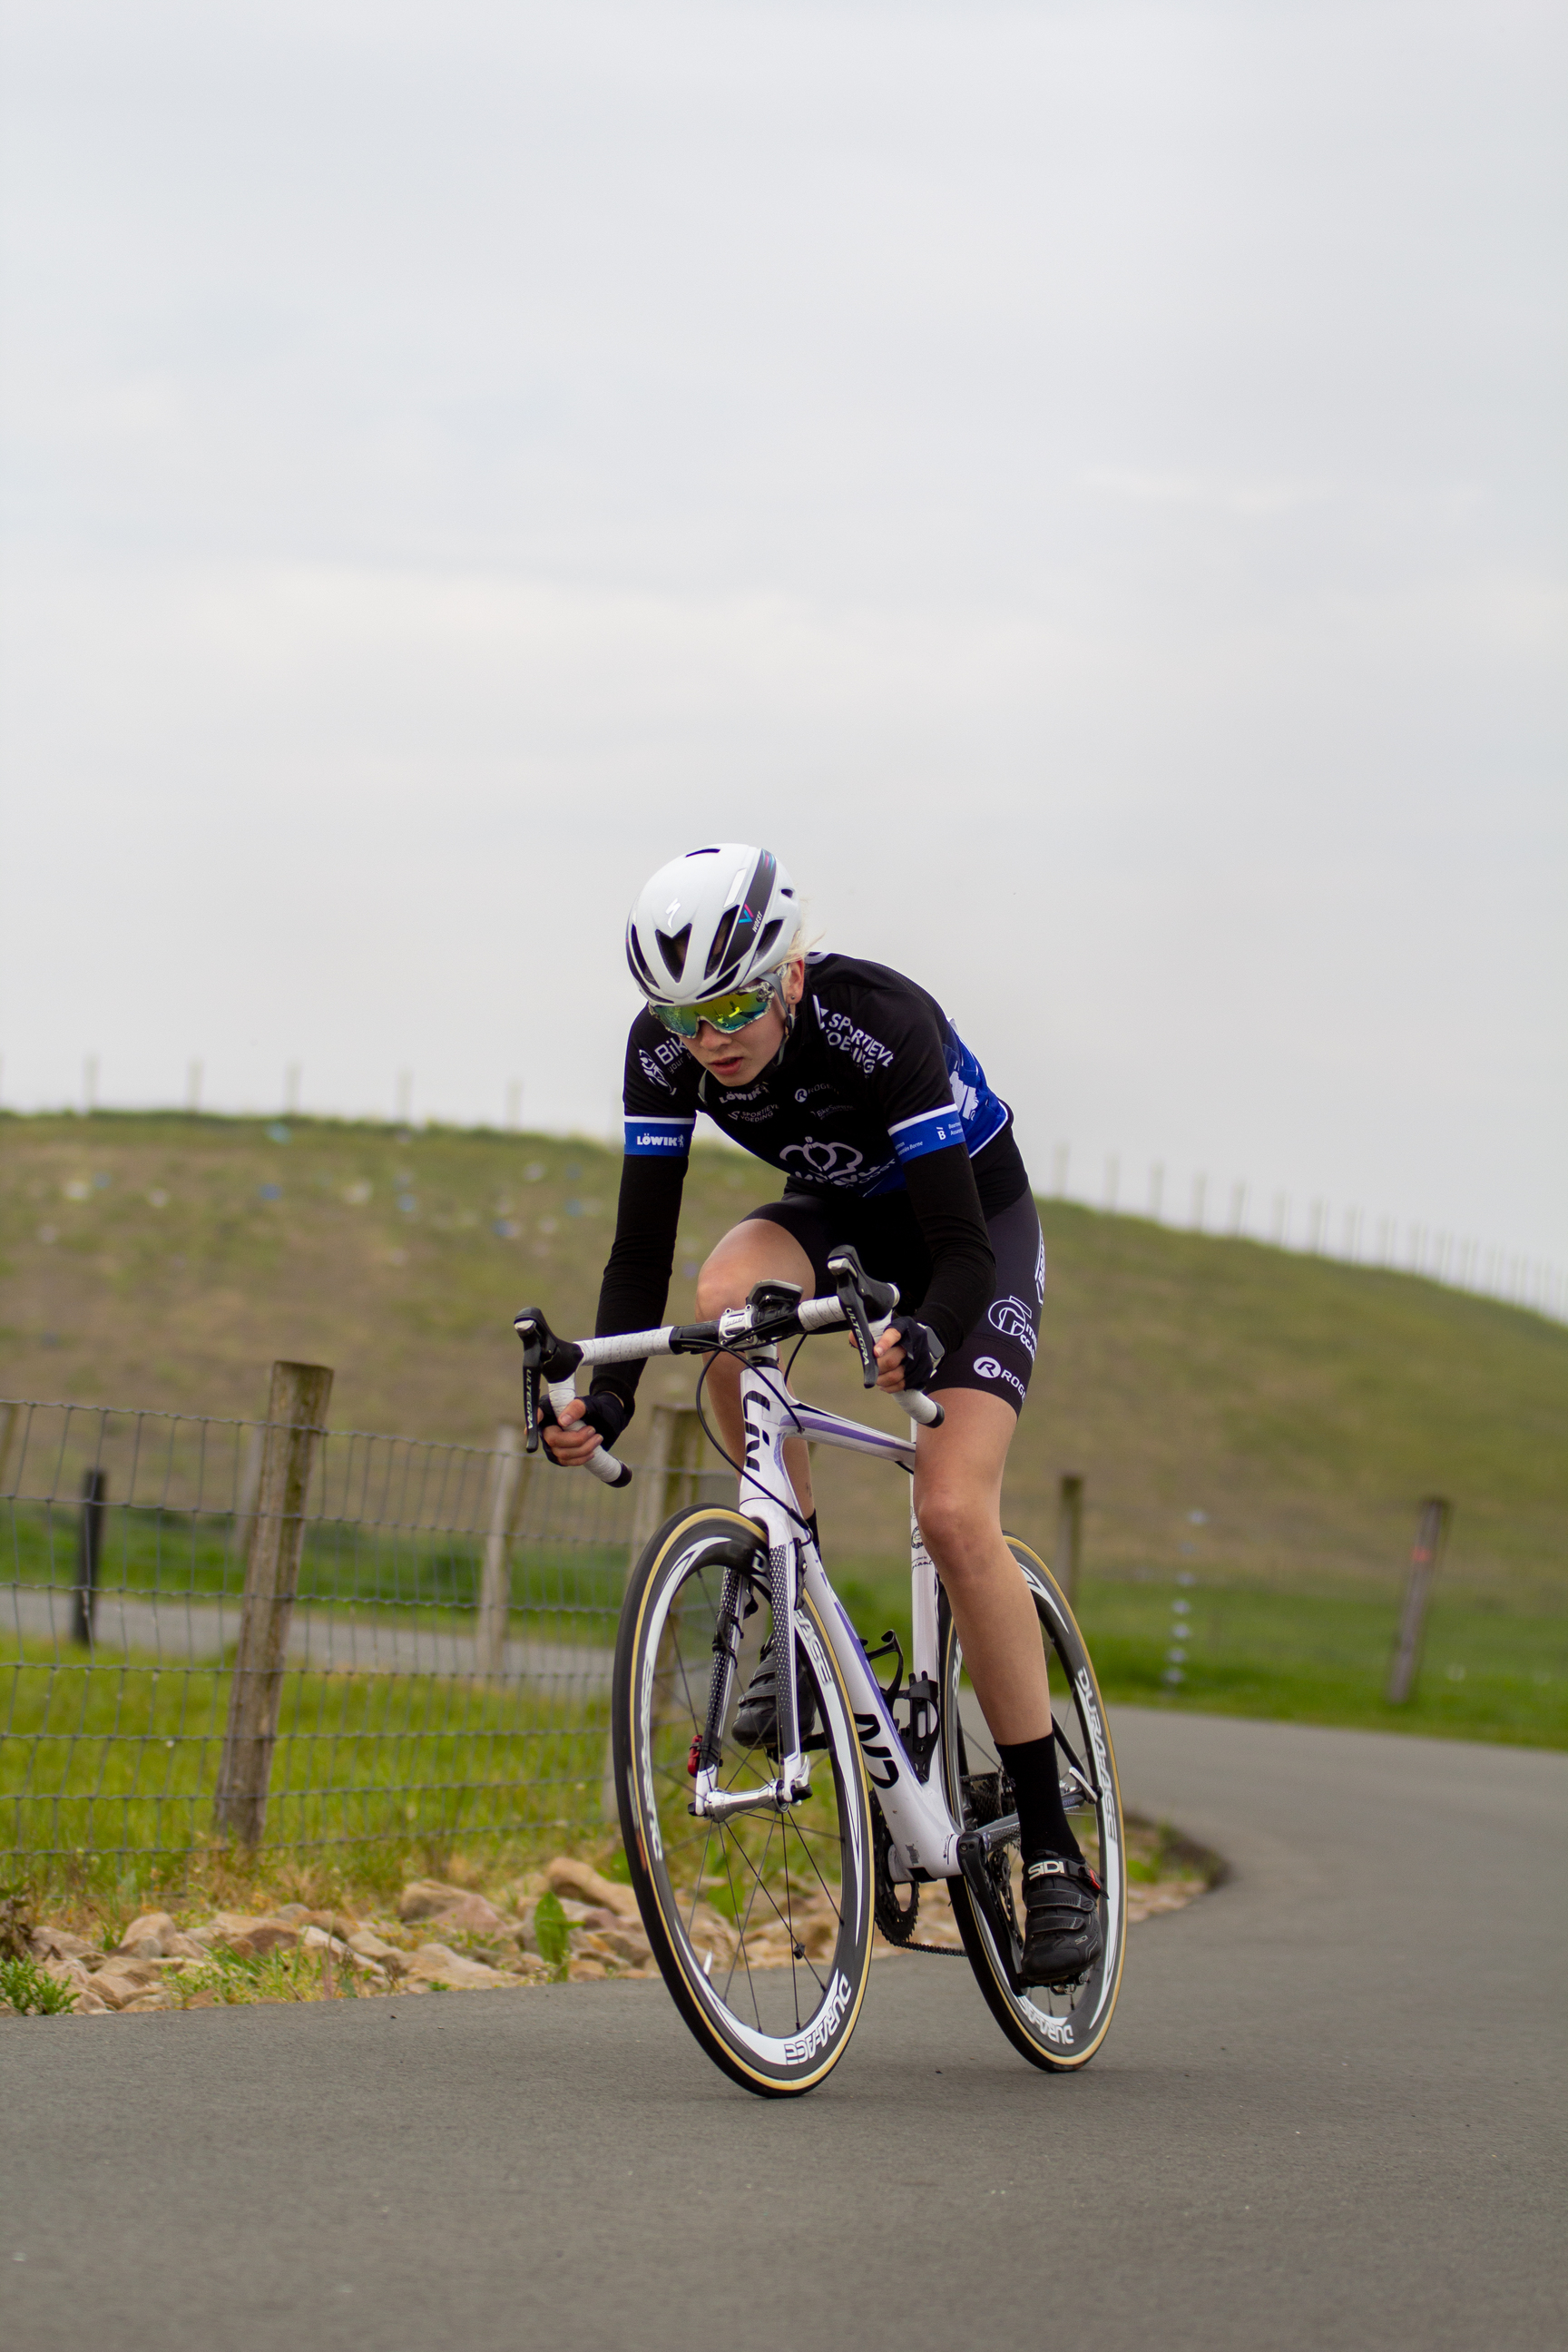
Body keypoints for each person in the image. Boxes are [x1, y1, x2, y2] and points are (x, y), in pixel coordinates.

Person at [543, 842, 1101, 1987]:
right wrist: (602, 1393)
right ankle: (785, 1582)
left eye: (738, 1005)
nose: (714, 1040)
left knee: (953, 1516)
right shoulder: (667, 1050)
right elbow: (639, 1248)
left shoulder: (881, 1021)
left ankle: (1051, 1850)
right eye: (687, 1016)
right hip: (832, 1218)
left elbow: (950, 1247)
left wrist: (931, 1332)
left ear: (789, 973)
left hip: (971, 1233)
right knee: (719, 1302)